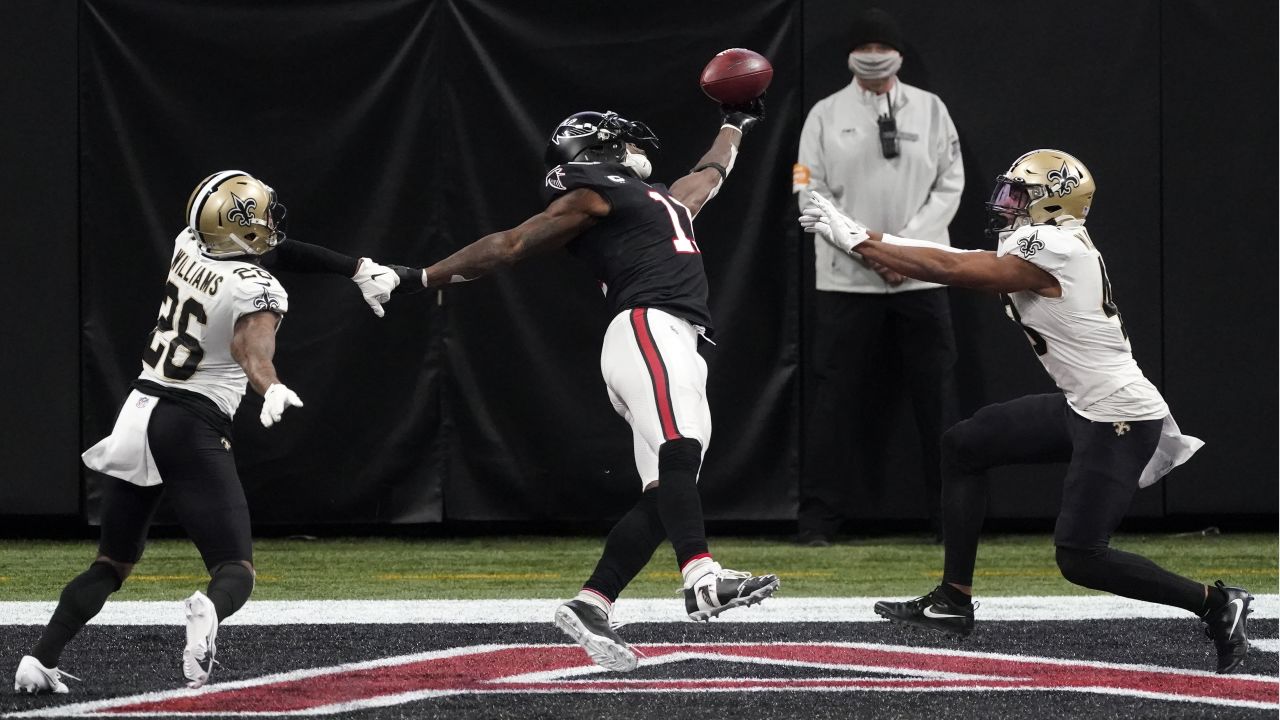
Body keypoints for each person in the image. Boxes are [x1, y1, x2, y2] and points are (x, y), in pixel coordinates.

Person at [799, 149, 1253, 674]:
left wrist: (857, 239)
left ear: (1054, 203)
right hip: (1083, 405)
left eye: (1022, 193)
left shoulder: (1055, 245)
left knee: (1081, 558)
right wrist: (864, 235)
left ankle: (1219, 604)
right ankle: (953, 600)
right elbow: (953, 255)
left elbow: (952, 267)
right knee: (964, 446)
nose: (1007, 202)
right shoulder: (1049, 240)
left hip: (1117, 415)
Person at [399, 103, 779, 672]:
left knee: (667, 492)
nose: (637, 147)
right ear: (599, 150)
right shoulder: (593, 190)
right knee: (679, 452)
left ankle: (592, 601)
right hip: (648, 326)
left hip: (677, 339)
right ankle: (701, 578)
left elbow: (709, 173)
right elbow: (510, 245)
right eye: (624, 140)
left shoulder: (661, 201)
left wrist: (735, 123)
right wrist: (420, 277)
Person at [13, 170, 412, 694]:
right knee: (236, 571)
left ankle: (39, 658)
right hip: (189, 423)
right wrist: (268, 386)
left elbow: (278, 253)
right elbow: (253, 345)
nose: (272, 222)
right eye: (262, 215)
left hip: (138, 410)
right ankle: (208, 610)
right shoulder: (257, 287)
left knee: (112, 562)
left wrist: (355, 267)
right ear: (240, 229)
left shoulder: (188, 244)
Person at [793, 7, 964, 545]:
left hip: (922, 278)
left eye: (880, 47)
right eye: (862, 47)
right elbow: (806, 188)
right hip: (847, 278)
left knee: (936, 396)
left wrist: (904, 251)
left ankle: (949, 518)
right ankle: (819, 520)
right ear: (850, 55)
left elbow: (950, 184)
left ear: (899, 54)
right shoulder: (823, 114)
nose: (872, 56)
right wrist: (867, 249)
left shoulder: (932, 111)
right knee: (833, 398)